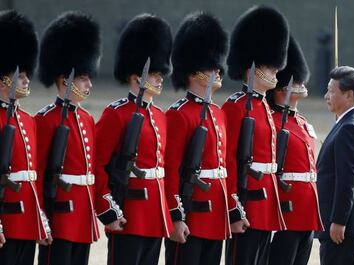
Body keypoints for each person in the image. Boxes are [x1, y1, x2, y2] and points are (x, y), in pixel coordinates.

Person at [35, 11, 125, 265]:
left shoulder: (86, 119)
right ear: (66, 79)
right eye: (83, 79)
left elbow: (93, 170)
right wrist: (41, 217)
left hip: (82, 215)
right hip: (59, 215)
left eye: (87, 78)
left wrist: (105, 209)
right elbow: (40, 172)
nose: (89, 85)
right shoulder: (46, 119)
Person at [94, 13, 174, 265]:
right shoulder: (116, 114)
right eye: (154, 73)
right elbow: (97, 164)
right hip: (128, 211)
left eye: (161, 72)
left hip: (154, 214)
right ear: (136, 76)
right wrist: (108, 209)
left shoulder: (160, 116)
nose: (160, 77)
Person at [222, 5, 289, 265]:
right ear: (251, 68)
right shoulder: (235, 106)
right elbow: (228, 160)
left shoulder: (263, 105)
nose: (275, 71)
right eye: (269, 66)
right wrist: (234, 207)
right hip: (247, 200)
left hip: (266, 200)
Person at [164, 11, 232, 265]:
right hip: (191, 213)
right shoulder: (179, 115)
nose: (217, 71)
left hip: (215, 215)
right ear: (193, 72)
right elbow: (171, 170)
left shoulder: (218, 113)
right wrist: (175, 216)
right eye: (210, 67)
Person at [266, 35, 323, 265]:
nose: (301, 84)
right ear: (281, 88)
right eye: (295, 81)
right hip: (287, 209)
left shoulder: (300, 121)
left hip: (307, 210)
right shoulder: (273, 121)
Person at [0, 9, 51, 265]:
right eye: (20, 76)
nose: (26, 81)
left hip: (26, 219)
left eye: (26, 75)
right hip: (5, 219)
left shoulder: (28, 120)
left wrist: (39, 217)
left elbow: (34, 175)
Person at [316, 66, 354, 265]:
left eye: (332, 91)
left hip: (345, 226)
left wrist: (338, 221)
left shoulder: (350, 127)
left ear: (348, 95)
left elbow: (346, 180)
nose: (326, 96)